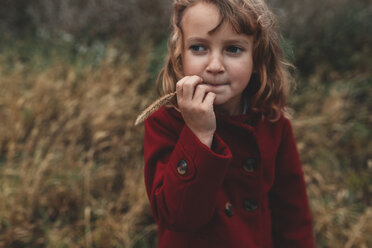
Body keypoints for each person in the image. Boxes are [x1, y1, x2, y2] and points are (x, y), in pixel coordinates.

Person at [143, 0, 315, 247]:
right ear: (180, 54)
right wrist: (198, 134)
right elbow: (176, 216)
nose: (214, 66)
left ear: (256, 56)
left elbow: (293, 215)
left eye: (233, 49)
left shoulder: (273, 122)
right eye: (199, 47)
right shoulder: (164, 124)